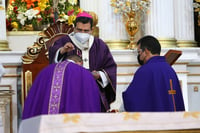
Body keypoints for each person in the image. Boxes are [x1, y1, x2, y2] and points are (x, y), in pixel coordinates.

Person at [48, 11, 117, 112]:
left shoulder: (100, 45)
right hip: (70, 90)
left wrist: (99, 75)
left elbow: (110, 67)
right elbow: (53, 63)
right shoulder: (64, 41)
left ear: (92, 30)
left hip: (93, 88)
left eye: (86, 31)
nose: (82, 33)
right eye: (79, 30)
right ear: (74, 28)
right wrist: (62, 51)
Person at [22, 57, 101, 120]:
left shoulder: (45, 71)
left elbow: (34, 98)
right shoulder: (83, 73)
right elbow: (91, 101)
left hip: (46, 123)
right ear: (80, 63)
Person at [122, 35, 185, 112]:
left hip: (155, 121)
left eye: (139, 52)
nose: (139, 56)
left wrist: (125, 96)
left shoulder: (144, 70)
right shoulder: (170, 69)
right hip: (172, 120)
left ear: (146, 51)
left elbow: (132, 99)